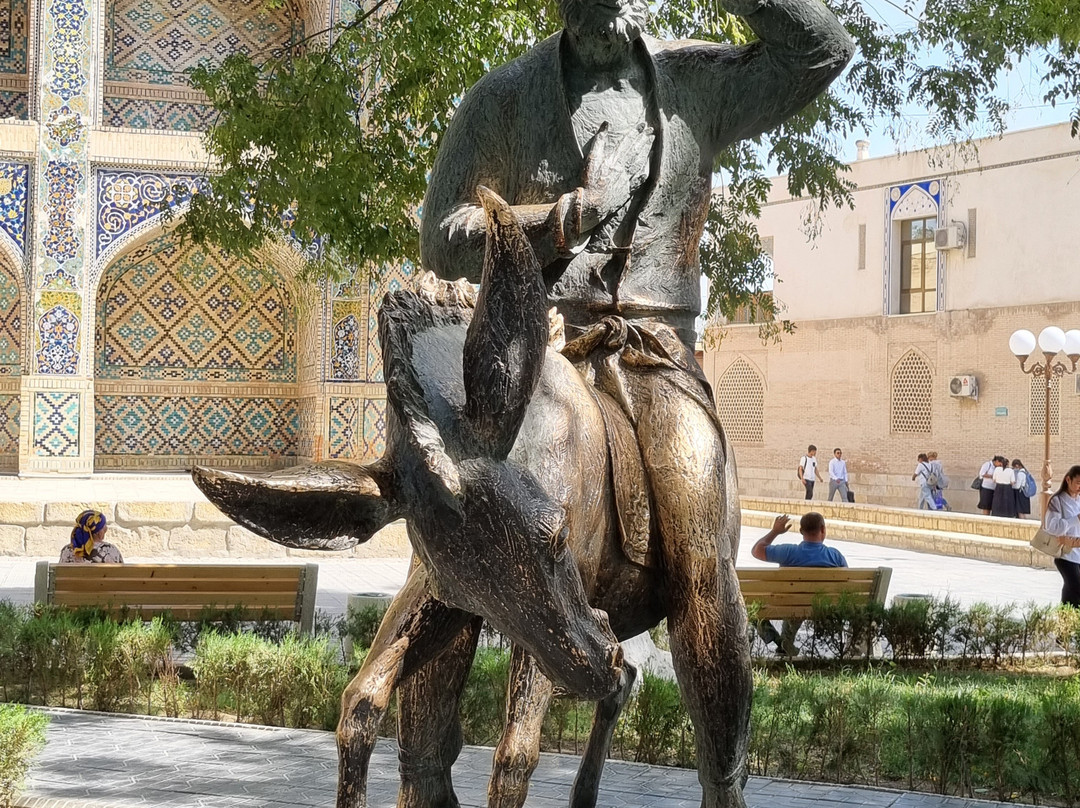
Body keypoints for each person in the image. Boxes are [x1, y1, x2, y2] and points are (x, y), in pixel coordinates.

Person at [419, 0, 853, 801]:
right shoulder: (505, 96)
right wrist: (554, 222)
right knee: (447, 519)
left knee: (698, 545)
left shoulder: (697, 82)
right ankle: (421, 765)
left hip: (654, 357)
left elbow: (822, 51)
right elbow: (440, 237)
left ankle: (724, 781)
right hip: (534, 342)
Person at [751, 512, 848, 656]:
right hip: (822, 606)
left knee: (751, 606)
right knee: (801, 603)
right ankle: (785, 644)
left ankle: (779, 641)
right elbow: (847, 583)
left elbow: (756, 551)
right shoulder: (835, 556)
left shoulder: (788, 552)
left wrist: (775, 531)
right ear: (823, 529)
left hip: (789, 604)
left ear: (801, 531)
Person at [1045, 466, 1080, 606]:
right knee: (1076, 588)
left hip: (1078, 551)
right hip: (1066, 555)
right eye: (1078, 482)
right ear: (1068, 479)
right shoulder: (1057, 500)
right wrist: (1075, 519)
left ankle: (1065, 621)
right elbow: (1053, 528)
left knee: (1071, 592)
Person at [58, 510, 123, 564]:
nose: (106, 528)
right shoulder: (110, 550)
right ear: (98, 532)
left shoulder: (67, 551)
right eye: (104, 526)